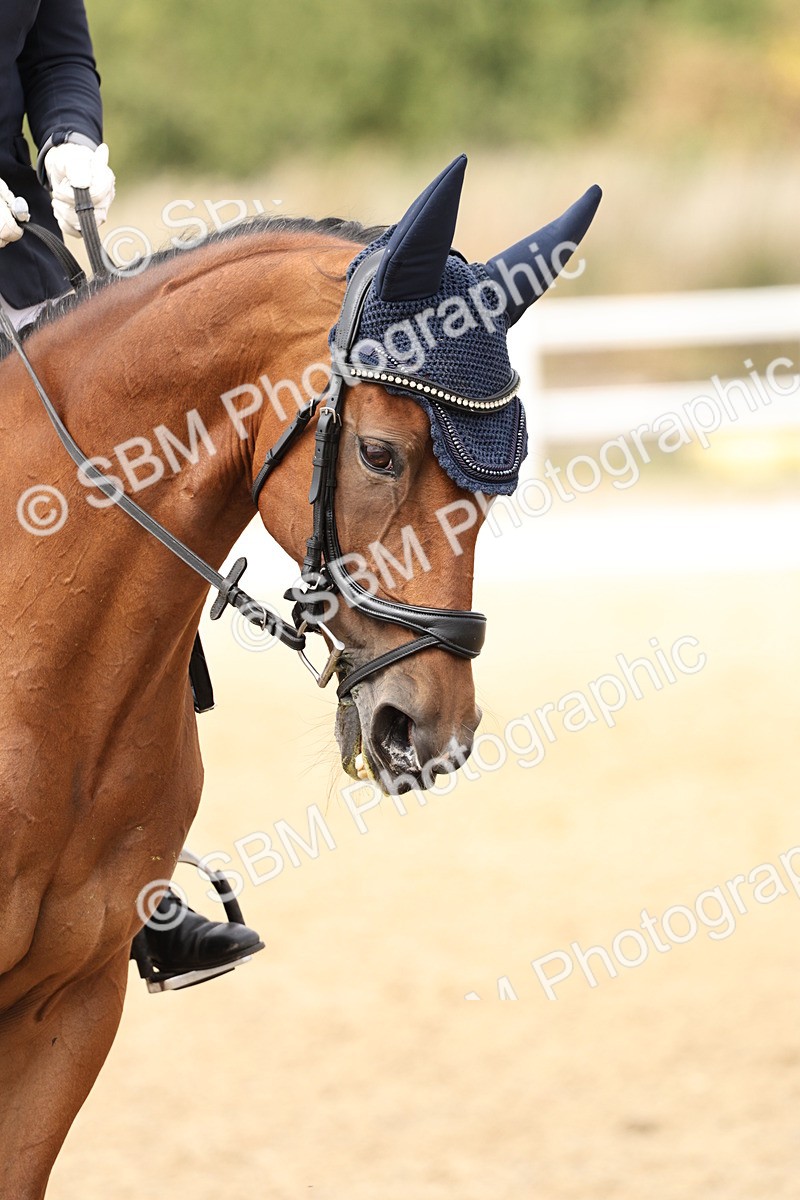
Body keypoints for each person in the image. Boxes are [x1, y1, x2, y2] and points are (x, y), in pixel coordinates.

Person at [2, 0, 263, 986]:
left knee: (131, 481)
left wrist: (71, 138)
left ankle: (134, 867)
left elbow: (59, 53)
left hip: (15, 235)